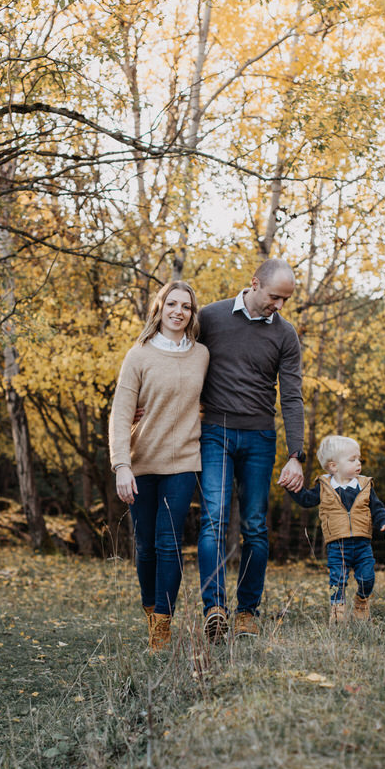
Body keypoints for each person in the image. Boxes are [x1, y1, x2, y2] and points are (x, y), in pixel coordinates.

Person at [197, 258, 305, 642]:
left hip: (260, 438)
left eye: (285, 299)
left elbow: (292, 395)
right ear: (255, 283)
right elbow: (179, 358)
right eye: (275, 296)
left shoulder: (285, 334)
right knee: (214, 519)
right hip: (214, 433)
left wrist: (297, 454)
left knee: (256, 528)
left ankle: (246, 612)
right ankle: (214, 608)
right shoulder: (210, 317)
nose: (279, 305)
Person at [109, 281, 209, 651]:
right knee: (145, 546)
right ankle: (150, 609)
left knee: (170, 543)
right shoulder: (139, 355)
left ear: (192, 314)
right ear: (159, 308)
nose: (178, 311)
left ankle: (162, 626)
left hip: (184, 462)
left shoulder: (201, 355)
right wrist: (121, 464)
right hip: (141, 463)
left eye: (186, 306)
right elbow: (120, 413)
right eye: (172, 304)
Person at [286, 433, 385, 623]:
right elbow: (306, 500)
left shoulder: (365, 485)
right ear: (333, 466)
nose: (358, 463)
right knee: (337, 580)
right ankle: (337, 611)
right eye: (352, 459)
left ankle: (362, 600)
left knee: (367, 578)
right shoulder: (324, 486)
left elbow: (378, 509)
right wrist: (291, 486)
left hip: (362, 544)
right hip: (337, 545)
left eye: (358, 458)